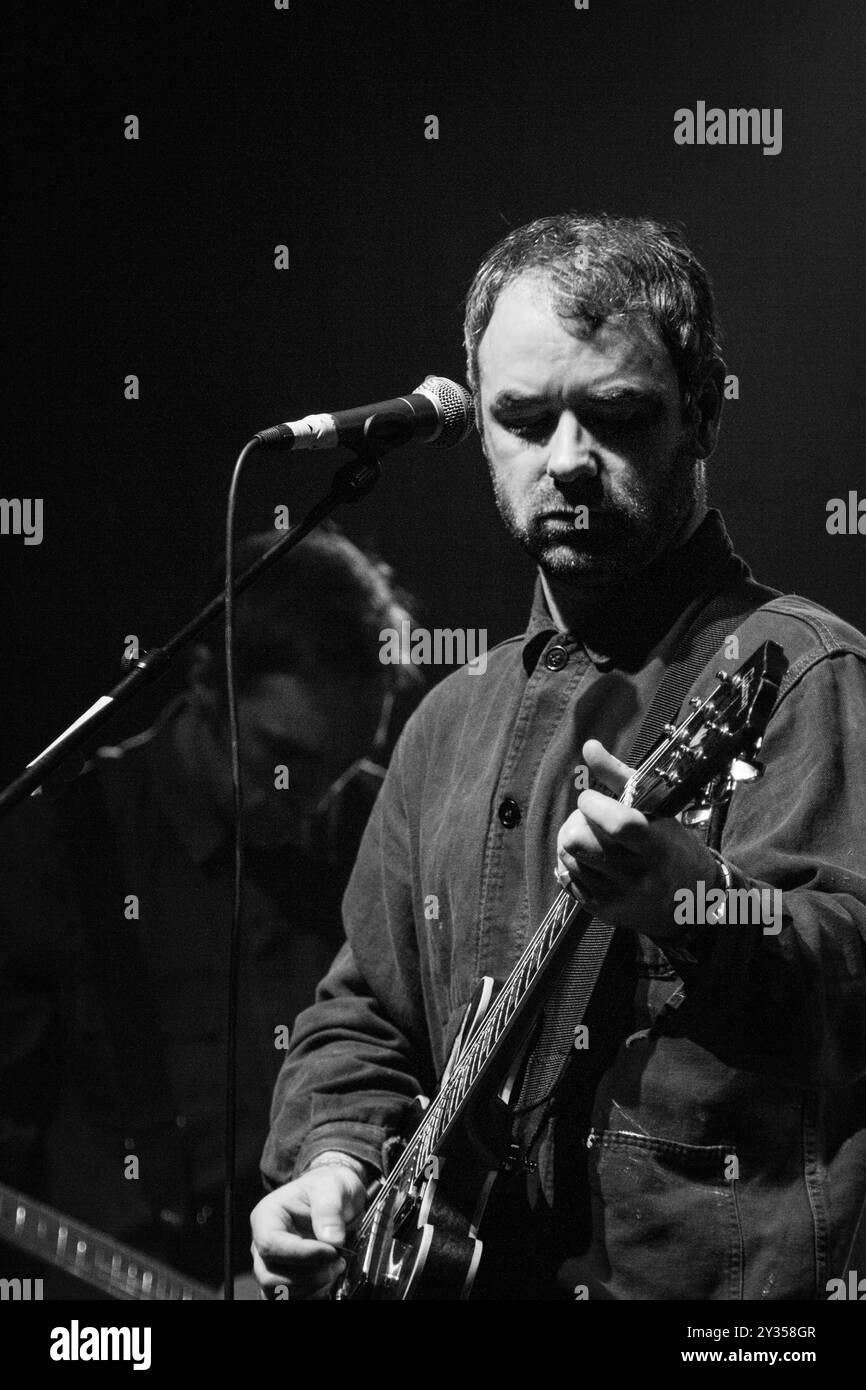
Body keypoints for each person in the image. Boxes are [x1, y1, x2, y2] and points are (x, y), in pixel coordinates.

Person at [251, 215, 866, 1301]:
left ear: (702, 410)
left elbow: (850, 977)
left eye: (613, 415)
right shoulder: (448, 719)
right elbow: (361, 1016)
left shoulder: (802, 673)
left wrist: (698, 902)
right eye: (525, 421)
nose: (567, 459)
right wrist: (337, 1159)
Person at [0, 525, 419, 1296]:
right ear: (203, 680)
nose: (311, 802)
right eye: (282, 759)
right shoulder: (59, 843)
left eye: (342, 765)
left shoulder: (377, 824)